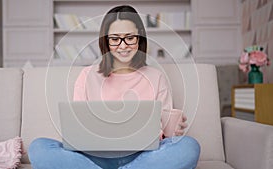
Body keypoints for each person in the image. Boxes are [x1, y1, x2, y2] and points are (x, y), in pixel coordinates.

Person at [28, 5, 200, 169]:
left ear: (139, 38)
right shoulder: (87, 76)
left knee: (189, 147)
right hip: (94, 157)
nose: (123, 45)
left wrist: (173, 129)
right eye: (115, 39)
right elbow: (78, 129)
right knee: (38, 148)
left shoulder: (156, 77)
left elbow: (163, 132)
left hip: (143, 156)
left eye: (130, 38)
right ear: (106, 41)